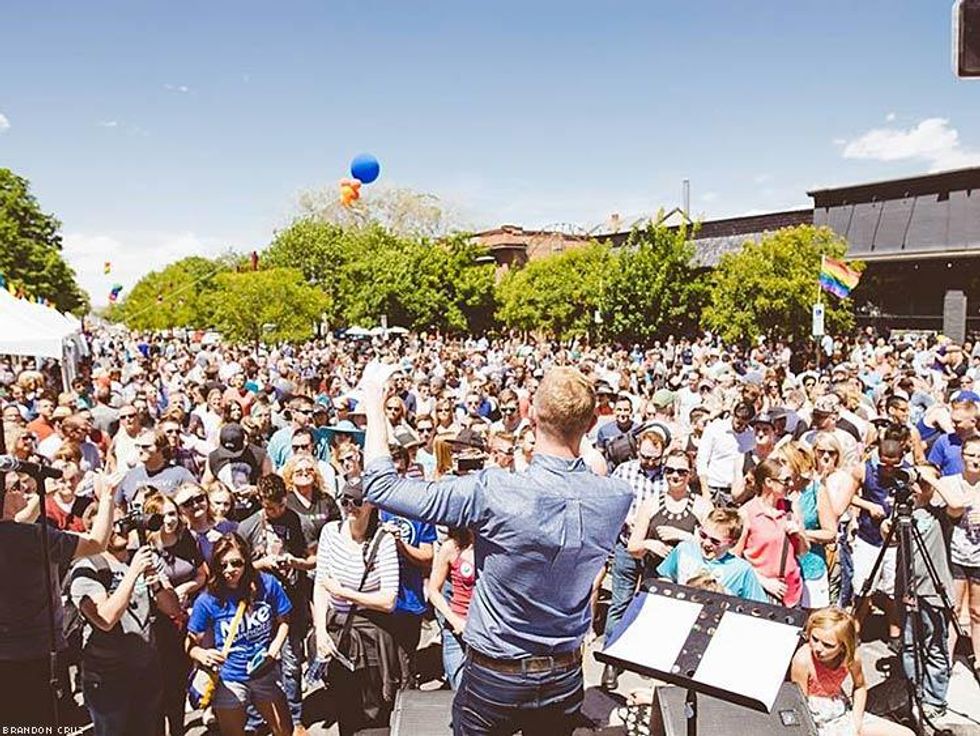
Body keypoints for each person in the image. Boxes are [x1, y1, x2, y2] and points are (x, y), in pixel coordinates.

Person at [362, 365, 633, 735]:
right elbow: (592, 467)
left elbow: (381, 487)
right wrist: (577, 424)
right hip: (566, 675)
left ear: (530, 418)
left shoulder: (495, 491)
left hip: (496, 677)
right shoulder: (617, 497)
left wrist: (374, 401)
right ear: (590, 426)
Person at [0, 472, 115, 726]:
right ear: (5, 496)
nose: (25, 492)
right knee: (40, 723)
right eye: (17, 488)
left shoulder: (25, 534)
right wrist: (107, 496)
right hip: (39, 652)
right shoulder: (35, 537)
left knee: (10, 724)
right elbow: (96, 543)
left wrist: (44, 494)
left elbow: (15, 522)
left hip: (6, 656)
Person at [69, 503, 182, 736]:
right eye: (112, 525)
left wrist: (157, 584)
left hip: (146, 669)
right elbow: (105, 618)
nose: (119, 530)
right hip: (108, 678)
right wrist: (132, 574)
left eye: (123, 523)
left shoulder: (141, 557)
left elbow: (172, 609)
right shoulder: (87, 569)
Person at [313, 477, 400, 736]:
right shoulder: (330, 531)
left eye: (357, 501)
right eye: (345, 500)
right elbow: (320, 584)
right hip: (337, 631)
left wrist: (343, 592)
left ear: (371, 505)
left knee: (373, 706)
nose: (350, 506)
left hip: (370, 634)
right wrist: (320, 632)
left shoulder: (382, 540)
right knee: (344, 704)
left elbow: (388, 600)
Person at [186, 534, 293, 736]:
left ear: (246, 561)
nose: (229, 571)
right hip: (229, 678)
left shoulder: (267, 585)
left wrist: (273, 651)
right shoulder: (208, 599)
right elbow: (190, 641)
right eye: (222, 565)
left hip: (264, 670)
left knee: (284, 730)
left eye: (236, 563)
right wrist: (200, 653)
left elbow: (284, 621)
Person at [236, 476, 315, 733]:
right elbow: (235, 566)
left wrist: (295, 562)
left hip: (291, 601)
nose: (277, 512)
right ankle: (257, 719)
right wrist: (262, 564)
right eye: (271, 508)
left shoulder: (298, 522)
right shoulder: (248, 527)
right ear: (261, 502)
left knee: (292, 662)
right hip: (259, 604)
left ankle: (295, 716)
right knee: (256, 661)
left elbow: (313, 559)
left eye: (281, 506)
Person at [602, 428, 668, 689]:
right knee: (620, 601)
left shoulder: (667, 476)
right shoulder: (625, 471)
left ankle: (641, 656)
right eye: (646, 456)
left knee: (649, 605)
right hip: (626, 544)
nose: (650, 462)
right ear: (637, 449)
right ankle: (611, 657)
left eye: (655, 458)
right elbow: (610, 504)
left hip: (655, 550)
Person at [143, 491, 207, 736]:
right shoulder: (147, 547)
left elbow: (202, 574)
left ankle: (178, 729)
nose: (169, 520)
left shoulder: (187, 539)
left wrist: (186, 588)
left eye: (172, 514)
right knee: (161, 683)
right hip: (159, 622)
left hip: (188, 616)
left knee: (179, 680)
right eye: (162, 516)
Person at [791, 607, 913, 736]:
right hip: (816, 719)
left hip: (842, 710)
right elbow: (800, 706)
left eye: (828, 645)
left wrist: (856, 723)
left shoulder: (851, 657)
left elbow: (860, 687)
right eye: (814, 639)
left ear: (843, 647)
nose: (818, 648)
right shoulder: (803, 660)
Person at [628, 450, 712, 587]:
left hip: (690, 582)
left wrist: (684, 536)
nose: (675, 476)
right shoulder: (651, 504)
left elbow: (714, 549)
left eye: (681, 472)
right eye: (669, 470)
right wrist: (649, 544)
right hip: (653, 578)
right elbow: (632, 547)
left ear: (690, 473)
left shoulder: (702, 506)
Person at [734, 458, 809, 607]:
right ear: (768, 482)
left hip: (791, 592)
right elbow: (735, 558)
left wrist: (799, 535)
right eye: (785, 480)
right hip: (758, 591)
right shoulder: (746, 513)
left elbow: (803, 551)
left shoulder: (791, 509)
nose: (790, 484)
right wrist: (764, 582)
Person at [655, 507, 767, 601]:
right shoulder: (684, 549)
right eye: (703, 535)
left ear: (732, 543)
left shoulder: (741, 570)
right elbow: (665, 577)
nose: (707, 543)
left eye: (715, 541)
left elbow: (758, 606)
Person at [945, 435, 980, 671]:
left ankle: (978, 658)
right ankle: (945, 658)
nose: (975, 460)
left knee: (977, 610)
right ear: (962, 455)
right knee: (954, 607)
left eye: (979, 456)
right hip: (957, 552)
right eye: (971, 455)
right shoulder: (952, 482)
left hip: (978, 556)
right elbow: (949, 512)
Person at [428, 527, 476, 690]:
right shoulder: (451, 547)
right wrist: (454, 620)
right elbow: (433, 591)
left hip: (487, 631)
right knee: (461, 689)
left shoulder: (495, 546)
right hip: (457, 630)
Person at [114, 429, 197, 508]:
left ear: (160, 448)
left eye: (145, 447)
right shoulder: (130, 476)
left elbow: (196, 499)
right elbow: (118, 507)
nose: (140, 451)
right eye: (138, 446)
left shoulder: (180, 474)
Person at [696, 401, 756, 507]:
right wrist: (705, 490)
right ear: (733, 415)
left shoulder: (751, 436)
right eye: (739, 422)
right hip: (714, 487)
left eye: (745, 424)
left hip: (737, 492)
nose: (741, 427)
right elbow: (702, 460)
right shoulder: (715, 428)